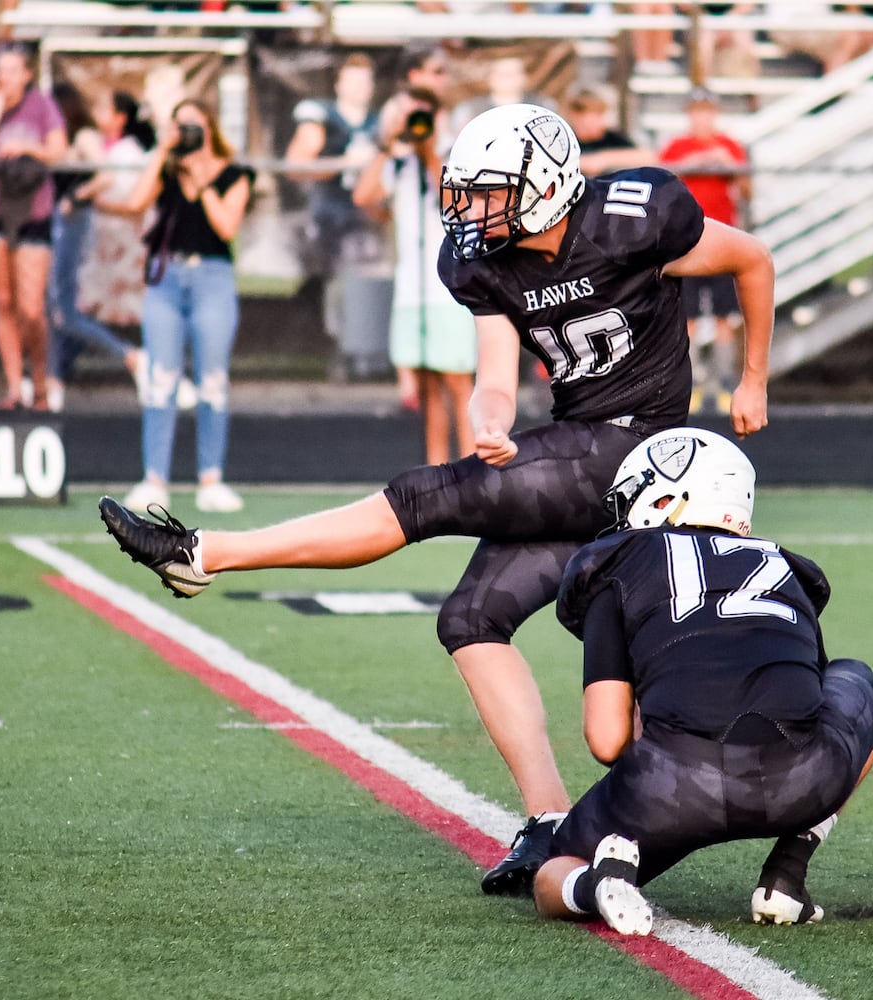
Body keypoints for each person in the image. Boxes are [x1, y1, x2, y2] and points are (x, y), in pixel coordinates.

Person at [98, 103, 776, 896]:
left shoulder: (635, 217)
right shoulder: (485, 265)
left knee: (427, 497)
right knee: (470, 619)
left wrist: (755, 375)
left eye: (488, 193)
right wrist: (490, 417)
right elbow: (494, 377)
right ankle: (550, 823)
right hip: (577, 442)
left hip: (639, 444)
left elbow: (752, 259)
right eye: (467, 191)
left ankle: (202, 552)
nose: (470, 209)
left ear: (548, 186)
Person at [531, 428, 873, 935]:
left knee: (552, 877)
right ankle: (787, 873)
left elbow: (606, 739)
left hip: (674, 788)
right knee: (856, 679)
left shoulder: (619, 560)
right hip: (801, 781)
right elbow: (807, 696)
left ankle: (598, 884)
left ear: (669, 496)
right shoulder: (783, 565)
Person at [96, 100, 253, 515]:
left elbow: (226, 227)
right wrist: (164, 153)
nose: (186, 134)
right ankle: (154, 479)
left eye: (193, 127)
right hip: (167, 280)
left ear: (210, 128)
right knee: (160, 379)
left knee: (213, 382)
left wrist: (201, 180)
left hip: (212, 279)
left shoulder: (233, 174)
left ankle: (211, 478)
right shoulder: (165, 169)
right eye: (179, 126)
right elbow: (135, 203)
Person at [353, 86, 475, 462]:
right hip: (412, 290)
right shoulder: (397, 161)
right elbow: (364, 198)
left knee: (459, 383)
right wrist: (388, 145)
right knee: (428, 388)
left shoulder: (455, 156)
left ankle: (475, 471)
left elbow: (453, 202)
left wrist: (428, 152)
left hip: (448, 291)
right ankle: (437, 472)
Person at [0, 43, 68, 412]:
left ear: (26, 74)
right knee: (3, 302)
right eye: (0, 69)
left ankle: (39, 379)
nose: (5, 77)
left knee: (31, 308)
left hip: (33, 213)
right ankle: (14, 386)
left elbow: (59, 150)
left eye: (12, 70)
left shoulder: (42, 107)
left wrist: (28, 147)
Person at [44, 85, 150, 413]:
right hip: (68, 231)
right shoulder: (73, 141)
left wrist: (76, 199)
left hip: (80, 229)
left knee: (65, 310)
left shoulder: (87, 139)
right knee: (57, 308)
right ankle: (53, 379)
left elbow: (106, 178)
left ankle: (129, 356)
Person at [284, 53, 387, 378]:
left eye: (364, 81)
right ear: (340, 84)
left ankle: (369, 355)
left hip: (368, 221)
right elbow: (298, 165)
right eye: (352, 80)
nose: (359, 88)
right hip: (331, 219)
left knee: (370, 287)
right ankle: (337, 352)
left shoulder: (379, 124)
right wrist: (344, 163)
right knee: (334, 292)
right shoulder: (321, 117)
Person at [659, 88, 751, 416]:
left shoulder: (728, 147)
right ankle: (694, 383)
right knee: (689, 318)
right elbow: (661, 183)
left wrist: (729, 165)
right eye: (697, 111)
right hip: (686, 243)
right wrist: (689, 164)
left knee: (725, 316)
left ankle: (724, 382)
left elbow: (746, 191)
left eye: (707, 111)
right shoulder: (678, 148)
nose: (702, 118)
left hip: (721, 240)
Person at [564, 88, 656, 178]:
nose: (599, 121)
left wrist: (603, 159)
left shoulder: (612, 138)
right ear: (575, 115)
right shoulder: (566, 140)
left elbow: (648, 157)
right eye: (593, 116)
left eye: (600, 115)